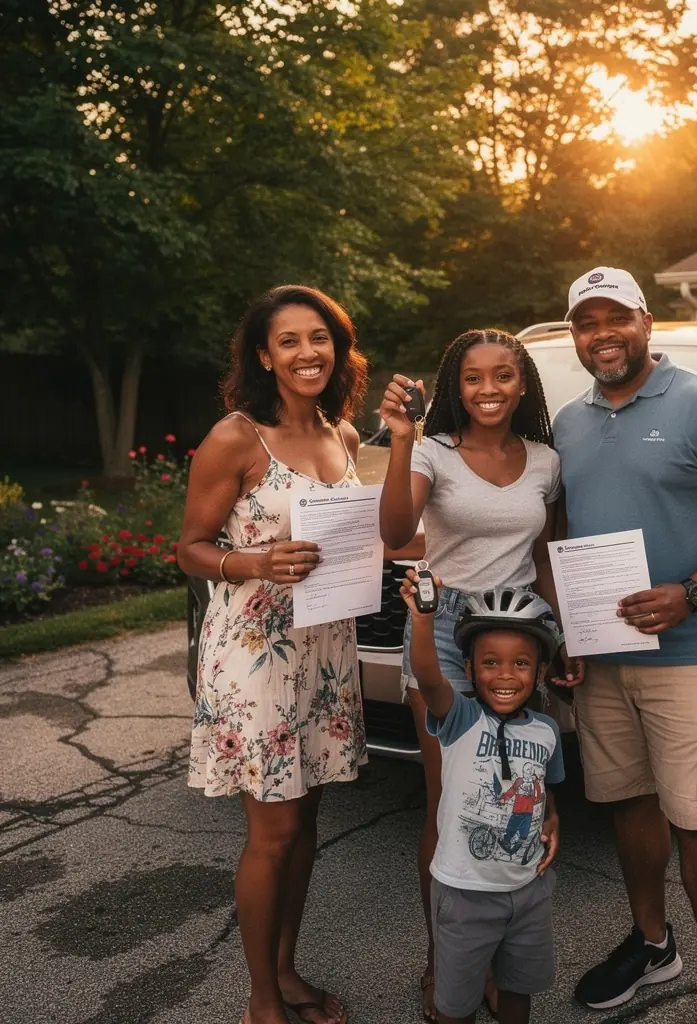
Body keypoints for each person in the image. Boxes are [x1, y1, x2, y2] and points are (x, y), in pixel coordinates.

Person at [180, 285, 419, 1024]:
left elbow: (368, 536)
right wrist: (255, 563)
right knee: (274, 831)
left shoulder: (342, 435)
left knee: (306, 821)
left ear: (338, 350)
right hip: (256, 656)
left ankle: (284, 972)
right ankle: (261, 1002)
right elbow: (189, 549)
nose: (308, 352)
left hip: (325, 649)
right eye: (289, 341)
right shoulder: (236, 438)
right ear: (264, 356)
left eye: (321, 338)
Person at [552, 267, 697, 1024]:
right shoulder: (568, 423)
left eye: (615, 317)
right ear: (576, 336)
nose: (602, 334)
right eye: (587, 322)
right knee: (628, 804)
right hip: (602, 655)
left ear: (646, 323)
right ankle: (653, 943)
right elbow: (561, 528)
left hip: (689, 651)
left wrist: (692, 592)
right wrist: (568, 629)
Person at [377, 329, 581, 1020]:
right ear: (454, 387)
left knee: (513, 783)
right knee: (449, 798)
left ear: (523, 385)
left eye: (502, 376)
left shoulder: (547, 461)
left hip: (519, 633)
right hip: (444, 626)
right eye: (472, 378)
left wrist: (563, 635)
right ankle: (446, 962)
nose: (488, 389)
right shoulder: (432, 451)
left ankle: (498, 958)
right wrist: (400, 439)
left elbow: (546, 555)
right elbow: (395, 530)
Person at [399, 575, 564, 1024]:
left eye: (521, 664)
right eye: (490, 663)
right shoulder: (461, 717)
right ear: (469, 670)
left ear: (540, 673)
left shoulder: (547, 731)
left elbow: (547, 787)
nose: (505, 675)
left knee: (518, 992)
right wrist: (423, 619)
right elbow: (428, 676)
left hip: (528, 891)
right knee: (455, 1007)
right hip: (464, 895)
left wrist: (552, 817)